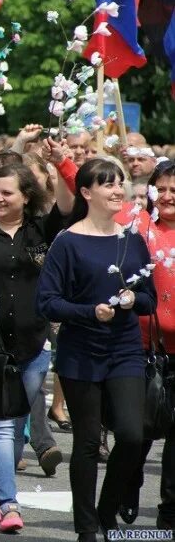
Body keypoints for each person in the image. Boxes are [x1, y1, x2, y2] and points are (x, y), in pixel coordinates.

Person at [36, 158, 156, 542]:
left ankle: (108, 510)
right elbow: (48, 302)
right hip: (80, 352)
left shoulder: (132, 240)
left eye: (119, 182)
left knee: (133, 435)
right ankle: (87, 525)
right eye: (107, 184)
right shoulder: (68, 242)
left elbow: (150, 299)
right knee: (87, 442)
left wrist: (131, 298)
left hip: (124, 349)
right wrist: (91, 311)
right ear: (86, 193)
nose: (117, 190)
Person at [0, 163, 63, 533]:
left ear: (26, 196)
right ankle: (8, 501)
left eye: (7, 192)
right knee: (1, 424)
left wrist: (60, 169)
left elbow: (68, 209)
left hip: (35, 343)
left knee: (18, 421)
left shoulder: (41, 229)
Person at [119, 160, 175, 530]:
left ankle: (170, 506)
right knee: (136, 430)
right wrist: (62, 160)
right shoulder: (137, 225)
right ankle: (128, 482)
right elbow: (92, 192)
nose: (168, 196)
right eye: (162, 189)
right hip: (141, 346)